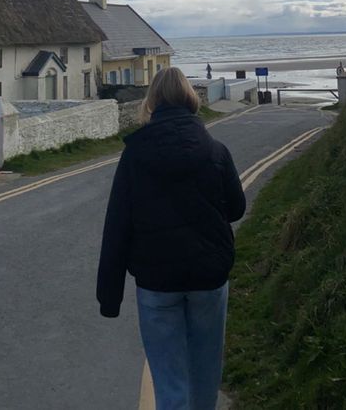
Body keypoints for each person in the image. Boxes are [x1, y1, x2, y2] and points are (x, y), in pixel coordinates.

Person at [96, 67, 246, 410]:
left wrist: (110, 297)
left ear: (153, 101)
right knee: (205, 374)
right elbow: (236, 208)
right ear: (190, 98)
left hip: (157, 282)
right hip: (209, 278)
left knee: (168, 383)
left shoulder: (134, 155)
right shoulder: (215, 150)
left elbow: (117, 225)